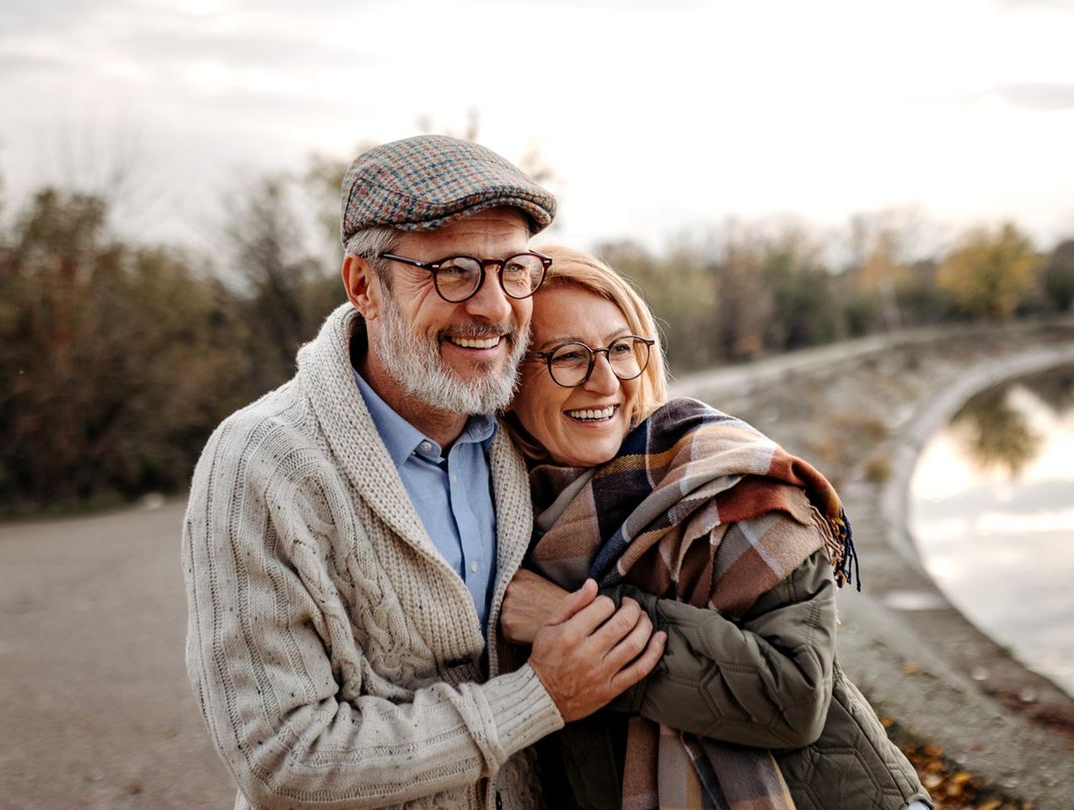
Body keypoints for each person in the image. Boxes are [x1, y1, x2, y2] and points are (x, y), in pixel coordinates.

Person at [181, 137, 665, 810]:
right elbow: (281, 756)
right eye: (454, 271)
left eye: (514, 269)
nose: (495, 306)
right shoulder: (261, 464)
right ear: (363, 285)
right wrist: (537, 698)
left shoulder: (517, 433)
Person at [500, 247, 933, 810]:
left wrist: (574, 622)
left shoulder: (733, 485)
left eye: (621, 349)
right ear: (509, 376)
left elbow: (794, 695)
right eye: (567, 356)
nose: (605, 381)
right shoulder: (504, 519)